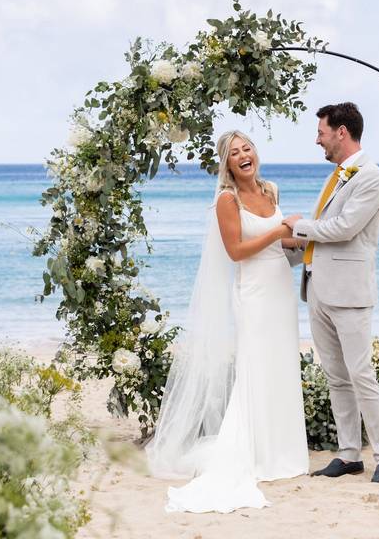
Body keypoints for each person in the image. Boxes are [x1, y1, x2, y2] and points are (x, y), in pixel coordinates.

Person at [146, 130, 308, 513]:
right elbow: (236, 251)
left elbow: (281, 244)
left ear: (255, 152)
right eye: (234, 153)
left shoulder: (271, 190)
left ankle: (283, 452)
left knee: (281, 366)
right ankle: (257, 454)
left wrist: (301, 234)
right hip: (252, 294)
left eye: (246, 148)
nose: (243, 155)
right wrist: (279, 231)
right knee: (256, 368)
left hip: (280, 290)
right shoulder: (226, 199)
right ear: (227, 163)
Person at [283, 102, 379, 486]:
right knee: (336, 377)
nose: (317, 140)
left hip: (349, 293)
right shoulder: (337, 176)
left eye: (321, 132)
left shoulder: (371, 176)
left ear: (342, 132)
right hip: (318, 288)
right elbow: (326, 233)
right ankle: (349, 454)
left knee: (361, 374)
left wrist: (301, 226)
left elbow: (345, 228)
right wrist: (291, 247)